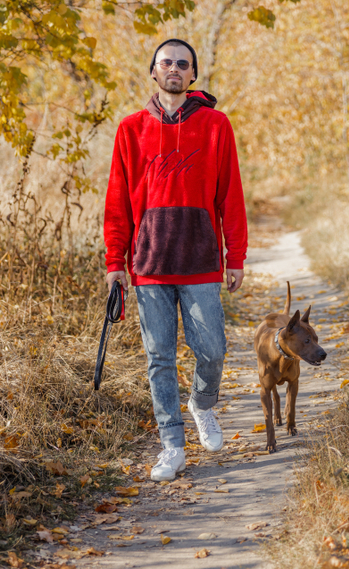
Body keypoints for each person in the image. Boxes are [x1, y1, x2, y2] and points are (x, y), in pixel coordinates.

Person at [103, 38, 247, 481]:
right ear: (153, 71)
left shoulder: (216, 125)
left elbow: (231, 195)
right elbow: (116, 205)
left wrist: (234, 255)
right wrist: (115, 264)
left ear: (192, 76)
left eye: (183, 65)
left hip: (201, 261)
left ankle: (202, 404)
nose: (174, 69)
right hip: (148, 266)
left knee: (213, 350)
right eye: (167, 62)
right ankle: (172, 445)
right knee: (159, 359)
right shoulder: (130, 129)